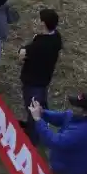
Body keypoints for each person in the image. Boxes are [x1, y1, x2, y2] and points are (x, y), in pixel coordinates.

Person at [18, 8, 63, 138]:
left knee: (32, 107)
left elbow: (23, 55)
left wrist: (21, 52)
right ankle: (38, 124)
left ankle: (33, 136)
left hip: (33, 81)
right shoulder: (56, 37)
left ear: (43, 24)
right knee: (41, 103)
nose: (36, 21)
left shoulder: (40, 44)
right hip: (44, 78)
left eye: (39, 19)